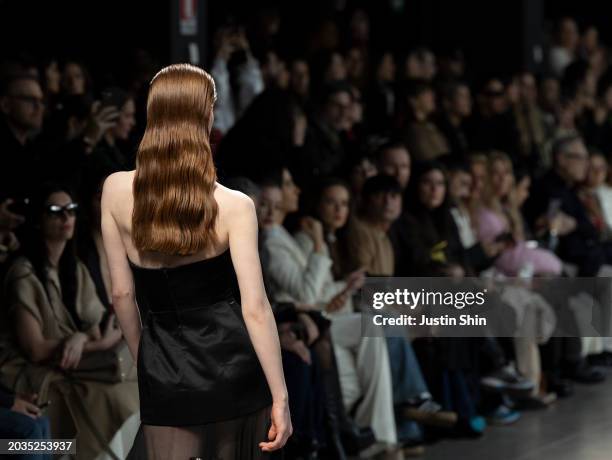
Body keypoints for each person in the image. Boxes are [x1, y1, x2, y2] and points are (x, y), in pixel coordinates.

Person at [100, 63, 291, 460]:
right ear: (207, 116)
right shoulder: (235, 206)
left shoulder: (115, 190)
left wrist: (147, 362)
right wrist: (281, 396)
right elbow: (255, 309)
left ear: (154, 114)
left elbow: (121, 294)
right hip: (235, 369)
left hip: (165, 368)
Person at [0, 183, 139, 460]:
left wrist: (81, 339)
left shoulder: (72, 267)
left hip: (70, 366)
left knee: (133, 391)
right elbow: (36, 350)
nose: (66, 218)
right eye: (55, 211)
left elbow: (97, 325)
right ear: (39, 220)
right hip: (35, 371)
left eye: (71, 210)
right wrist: (94, 344)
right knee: (109, 400)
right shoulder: (23, 273)